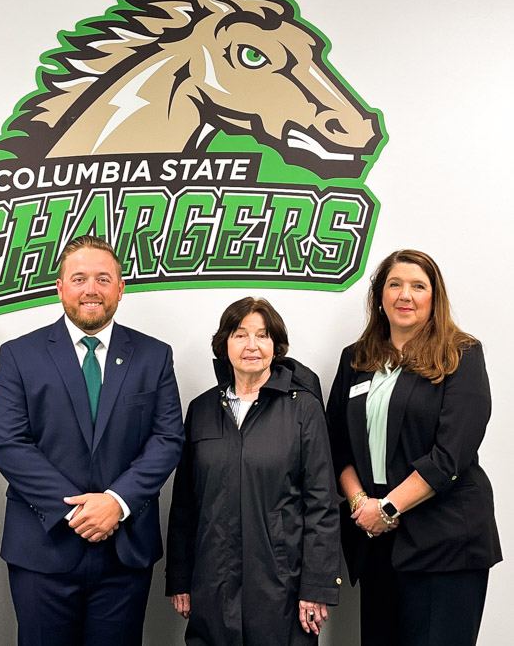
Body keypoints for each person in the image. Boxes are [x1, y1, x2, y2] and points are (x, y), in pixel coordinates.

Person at [0, 234, 184, 646]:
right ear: (60, 287)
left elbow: (167, 439)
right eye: (79, 278)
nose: (91, 289)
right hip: (43, 548)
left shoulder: (154, 355)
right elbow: (8, 442)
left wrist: (115, 501)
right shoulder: (19, 355)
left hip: (124, 549)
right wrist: (79, 512)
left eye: (102, 278)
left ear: (120, 287)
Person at [326, 249, 501, 646]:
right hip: (377, 542)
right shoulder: (356, 359)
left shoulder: (461, 354)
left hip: (446, 543)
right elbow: (335, 444)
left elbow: (450, 455)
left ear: (433, 297)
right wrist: (361, 505)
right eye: (395, 284)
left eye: (418, 286)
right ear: (380, 296)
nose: (405, 295)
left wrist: (388, 508)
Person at [166, 297, 341, 645]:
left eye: (262, 336)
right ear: (224, 344)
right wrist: (180, 578)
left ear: (275, 347)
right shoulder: (201, 409)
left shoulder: (302, 408)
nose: (251, 345)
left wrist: (316, 586)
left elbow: (322, 504)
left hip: (282, 588)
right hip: (212, 583)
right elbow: (184, 504)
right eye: (240, 334)